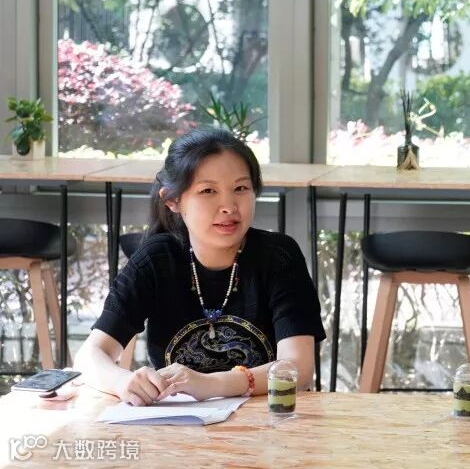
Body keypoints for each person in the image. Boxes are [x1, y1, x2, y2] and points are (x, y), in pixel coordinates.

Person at [74, 129, 325, 405]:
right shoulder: (157, 258)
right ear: (173, 200)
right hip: (176, 423)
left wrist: (211, 384)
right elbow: (89, 356)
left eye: (241, 188)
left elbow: (298, 369)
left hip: (267, 421)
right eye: (208, 191)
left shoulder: (278, 256)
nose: (229, 206)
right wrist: (122, 381)